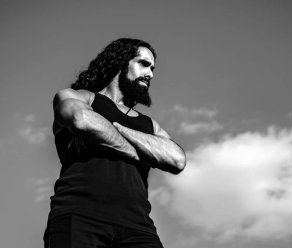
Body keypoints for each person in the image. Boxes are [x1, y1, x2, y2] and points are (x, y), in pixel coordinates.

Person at [44, 38, 186, 248]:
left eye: (153, 68)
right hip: (79, 216)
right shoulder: (79, 97)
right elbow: (81, 120)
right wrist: (140, 152)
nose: (150, 74)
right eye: (143, 64)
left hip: (139, 228)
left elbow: (177, 159)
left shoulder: (149, 124)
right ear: (120, 62)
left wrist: (117, 128)